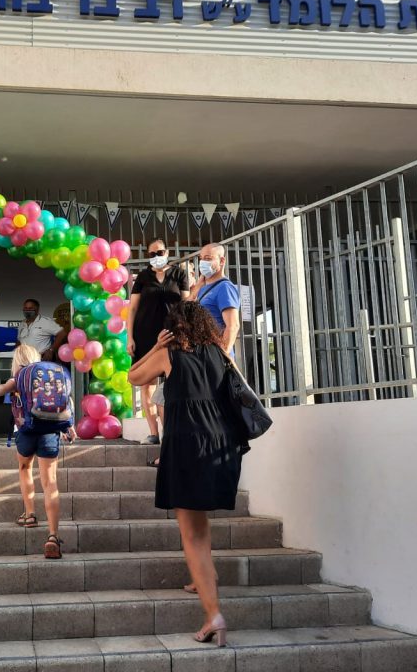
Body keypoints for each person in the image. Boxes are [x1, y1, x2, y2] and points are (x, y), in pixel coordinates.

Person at [127, 301, 245, 647]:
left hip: (187, 442)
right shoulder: (221, 354)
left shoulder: (171, 354)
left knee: (192, 535)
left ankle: (213, 615)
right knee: (201, 527)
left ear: (174, 328)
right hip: (223, 443)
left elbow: (134, 377)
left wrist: (156, 346)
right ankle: (204, 581)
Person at [0, 344, 76, 559]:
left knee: (25, 468)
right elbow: (65, 400)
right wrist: (69, 426)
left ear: (17, 360)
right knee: (50, 483)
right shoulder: (51, 376)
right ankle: (53, 536)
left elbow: (2, 388)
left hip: (26, 432)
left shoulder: (19, 376)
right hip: (50, 433)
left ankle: (30, 514)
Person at [127, 239, 191, 444]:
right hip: (145, 335)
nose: (156, 256)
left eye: (160, 252)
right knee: (147, 384)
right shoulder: (143, 277)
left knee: (175, 380)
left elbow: (187, 304)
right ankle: (154, 433)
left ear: (168, 252)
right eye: (152, 254)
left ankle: (171, 431)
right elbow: (132, 309)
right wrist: (129, 337)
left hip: (173, 334)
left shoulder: (179, 274)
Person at [192, 242, 240, 355]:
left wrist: (222, 355)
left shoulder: (225, 287)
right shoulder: (203, 288)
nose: (202, 263)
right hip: (203, 353)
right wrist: (197, 286)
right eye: (201, 259)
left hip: (216, 355)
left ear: (222, 261)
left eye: (208, 258)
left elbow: (233, 326)